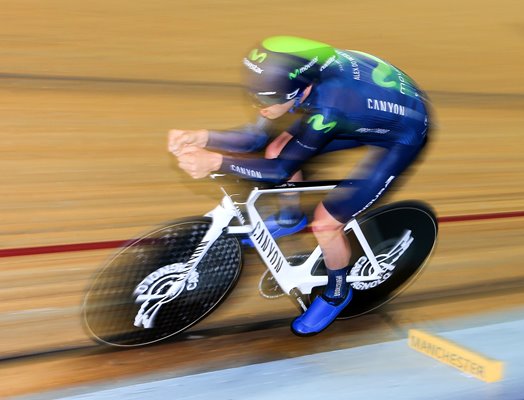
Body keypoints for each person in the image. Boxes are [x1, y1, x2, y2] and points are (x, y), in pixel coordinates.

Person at [168, 35, 430, 336]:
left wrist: (215, 162)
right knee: (277, 146)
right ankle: (290, 217)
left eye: (268, 100)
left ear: (301, 90)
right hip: (366, 109)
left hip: (402, 134)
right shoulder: (292, 81)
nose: (260, 107)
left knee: (326, 223)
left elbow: (281, 170)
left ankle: (337, 292)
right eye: (256, 97)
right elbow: (256, 138)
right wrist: (203, 137)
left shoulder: (330, 109)